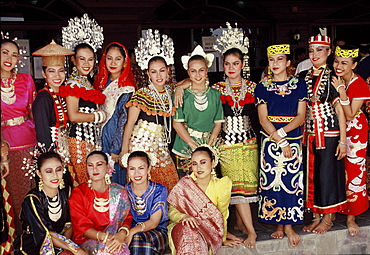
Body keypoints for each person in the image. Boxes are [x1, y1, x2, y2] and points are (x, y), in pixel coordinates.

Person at [255, 44, 307, 247]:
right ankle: (278, 223)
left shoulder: (299, 84)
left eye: (279, 59)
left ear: (288, 62)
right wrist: (279, 140)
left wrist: (283, 135)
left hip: (292, 139)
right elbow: (263, 118)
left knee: (291, 182)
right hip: (270, 140)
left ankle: (289, 225)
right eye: (271, 60)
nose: (275, 64)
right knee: (273, 181)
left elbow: (301, 116)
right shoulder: (262, 86)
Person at [299, 35, 347, 234]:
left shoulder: (333, 77)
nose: (314, 54)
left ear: (329, 52)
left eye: (320, 50)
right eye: (311, 50)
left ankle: (328, 218)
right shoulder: (304, 76)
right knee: (312, 176)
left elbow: (340, 112)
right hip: (309, 132)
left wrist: (343, 141)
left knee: (327, 175)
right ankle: (316, 214)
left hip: (328, 133)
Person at [121, 29, 178, 191]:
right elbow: (130, 123)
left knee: (170, 183)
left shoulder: (171, 91)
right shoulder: (142, 94)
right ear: (148, 74)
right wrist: (125, 150)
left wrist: (180, 89)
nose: (158, 75)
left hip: (161, 145)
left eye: (162, 70)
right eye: (153, 71)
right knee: (143, 186)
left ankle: (165, 216)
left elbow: (188, 82)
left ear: (168, 70)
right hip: (141, 144)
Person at [167, 146, 239, 254]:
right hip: (183, 228)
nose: (198, 167)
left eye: (203, 162)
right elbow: (172, 212)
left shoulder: (221, 186)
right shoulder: (184, 186)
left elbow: (221, 216)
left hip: (208, 231)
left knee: (195, 238)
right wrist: (184, 217)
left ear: (212, 162)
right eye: (194, 164)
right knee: (189, 230)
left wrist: (222, 238)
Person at [13, 151, 87, 255]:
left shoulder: (67, 192)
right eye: (48, 171)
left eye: (58, 170)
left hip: (63, 242)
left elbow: (69, 224)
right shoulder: (32, 200)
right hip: (36, 243)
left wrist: (66, 249)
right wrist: (76, 250)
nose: (55, 175)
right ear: (39, 173)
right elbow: (45, 233)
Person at [331, 45, 370, 236]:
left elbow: (350, 114)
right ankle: (337, 208)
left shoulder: (360, 84)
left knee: (354, 172)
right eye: (336, 61)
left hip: (355, 132)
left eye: (344, 63)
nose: (339, 66)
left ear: (354, 65)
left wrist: (341, 92)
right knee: (337, 170)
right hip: (336, 131)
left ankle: (351, 217)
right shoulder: (333, 79)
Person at [1, 38, 37, 235]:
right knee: (12, 195)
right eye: (5, 52)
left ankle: (35, 234)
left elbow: (34, 113)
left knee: (31, 191)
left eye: (14, 55)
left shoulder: (26, 80)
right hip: (5, 147)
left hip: (29, 143)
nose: (10, 58)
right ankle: (17, 238)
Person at [172, 45, 224, 177]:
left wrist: (209, 145)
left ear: (207, 71)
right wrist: (193, 145)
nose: (198, 75)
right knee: (186, 188)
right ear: (188, 72)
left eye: (201, 70)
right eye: (193, 71)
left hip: (209, 146)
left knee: (208, 188)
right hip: (184, 148)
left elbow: (218, 123)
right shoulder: (182, 94)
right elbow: (176, 124)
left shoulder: (215, 94)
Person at [60, 43, 106, 185]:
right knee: (84, 182)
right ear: (74, 60)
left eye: (90, 59)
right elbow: (73, 115)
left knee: (93, 181)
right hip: (79, 138)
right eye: (82, 59)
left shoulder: (86, 82)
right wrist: (97, 116)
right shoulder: (73, 83)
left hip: (91, 137)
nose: (87, 64)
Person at [69, 151, 132, 254]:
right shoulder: (79, 193)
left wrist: (121, 234)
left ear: (107, 167)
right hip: (88, 240)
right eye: (90, 165)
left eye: (99, 164)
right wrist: (105, 237)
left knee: (119, 248)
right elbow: (81, 226)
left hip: (115, 238)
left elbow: (126, 218)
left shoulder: (119, 191)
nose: (95, 169)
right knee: (109, 250)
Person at [94, 42, 136, 185]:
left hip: (113, 139)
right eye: (109, 58)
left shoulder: (127, 88)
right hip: (98, 137)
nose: (113, 62)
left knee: (114, 181)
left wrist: (116, 148)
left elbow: (123, 120)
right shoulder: (100, 83)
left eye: (118, 59)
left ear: (125, 62)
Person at [32, 40, 74, 161]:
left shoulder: (62, 94)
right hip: (52, 151)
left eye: (61, 71)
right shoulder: (43, 98)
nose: (57, 75)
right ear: (44, 74)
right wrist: (50, 157)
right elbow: (42, 132)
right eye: (51, 71)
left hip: (64, 148)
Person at [122, 150, 168, 254]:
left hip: (156, 232)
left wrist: (133, 231)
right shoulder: (123, 190)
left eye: (141, 168)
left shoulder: (159, 190)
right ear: (127, 170)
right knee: (137, 243)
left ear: (149, 169)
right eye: (132, 169)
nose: (136, 173)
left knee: (136, 239)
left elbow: (154, 222)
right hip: (130, 233)